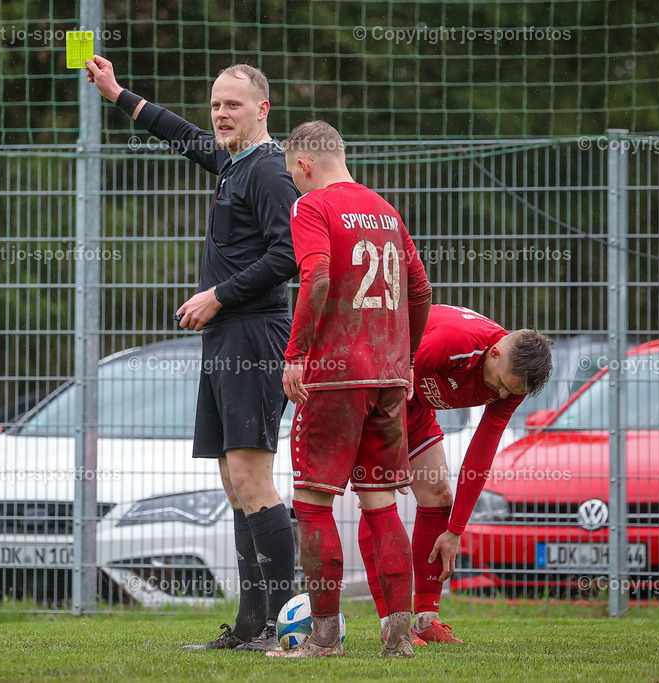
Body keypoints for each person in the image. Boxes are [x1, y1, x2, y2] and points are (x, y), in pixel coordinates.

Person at [86, 57, 299, 651]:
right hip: (227, 336)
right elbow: (182, 136)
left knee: (254, 479)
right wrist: (117, 93)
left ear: (263, 109)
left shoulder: (269, 172)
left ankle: (290, 629)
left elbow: (289, 257)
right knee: (235, 481)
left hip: (255, 335)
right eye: (216, 105)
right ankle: (252, 625)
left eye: (233, 104)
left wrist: (218, 296)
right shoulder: (234, 163)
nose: (221, 114)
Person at [271, 120, 433, 659]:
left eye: (293, 176)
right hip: (388, 377)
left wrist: (295, 355)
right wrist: (405, 359)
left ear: (303, 165)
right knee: (381, 505)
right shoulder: (386, 210)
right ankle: (398, 638)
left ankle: (323, 640)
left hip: (337, 375)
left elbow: (315, 275)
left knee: (313, 505)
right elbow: (420, 287)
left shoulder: (311, 206)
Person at [358, 304, 553, 644]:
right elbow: (385, 379)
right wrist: (390, 456)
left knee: (439, 496)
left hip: (415, 406)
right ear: (495, 353)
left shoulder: (513, 380)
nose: (503, 396)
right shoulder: (455, 342)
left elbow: (482, 449)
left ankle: (425, 620)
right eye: (502, 385)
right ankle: (391, 620)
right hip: (377, 393)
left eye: (512, 393)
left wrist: (456, 530)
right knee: (379, 497)